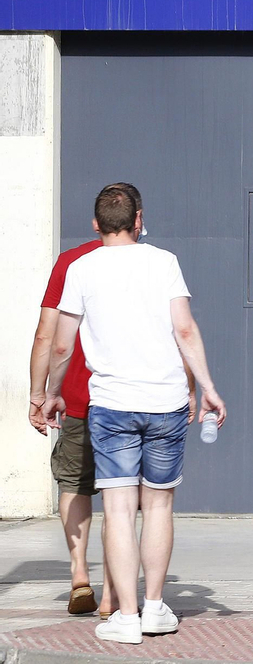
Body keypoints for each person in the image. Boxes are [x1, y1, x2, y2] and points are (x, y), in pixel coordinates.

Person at [42, 184, 227, 646]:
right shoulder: (162, 261)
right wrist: (206, 388)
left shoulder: (81, 268)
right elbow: (183, 327)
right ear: (138, 219)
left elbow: (62, 343)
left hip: (112, 405)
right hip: (164, 402)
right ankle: (155, 606)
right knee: (159, 504)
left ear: (95, 224)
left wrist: (50, 392)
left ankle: (125, 615)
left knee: (119, 510)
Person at [27, 185, 142, 619]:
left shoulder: (70, 262)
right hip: (130, 396)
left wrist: (39, 394)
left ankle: (79, 574)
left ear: (96, 222)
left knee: (74, 483)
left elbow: (47, 334)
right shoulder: (153, 264)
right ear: (137, 219)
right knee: (121, 490)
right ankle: (113, 593)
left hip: (77, 396)